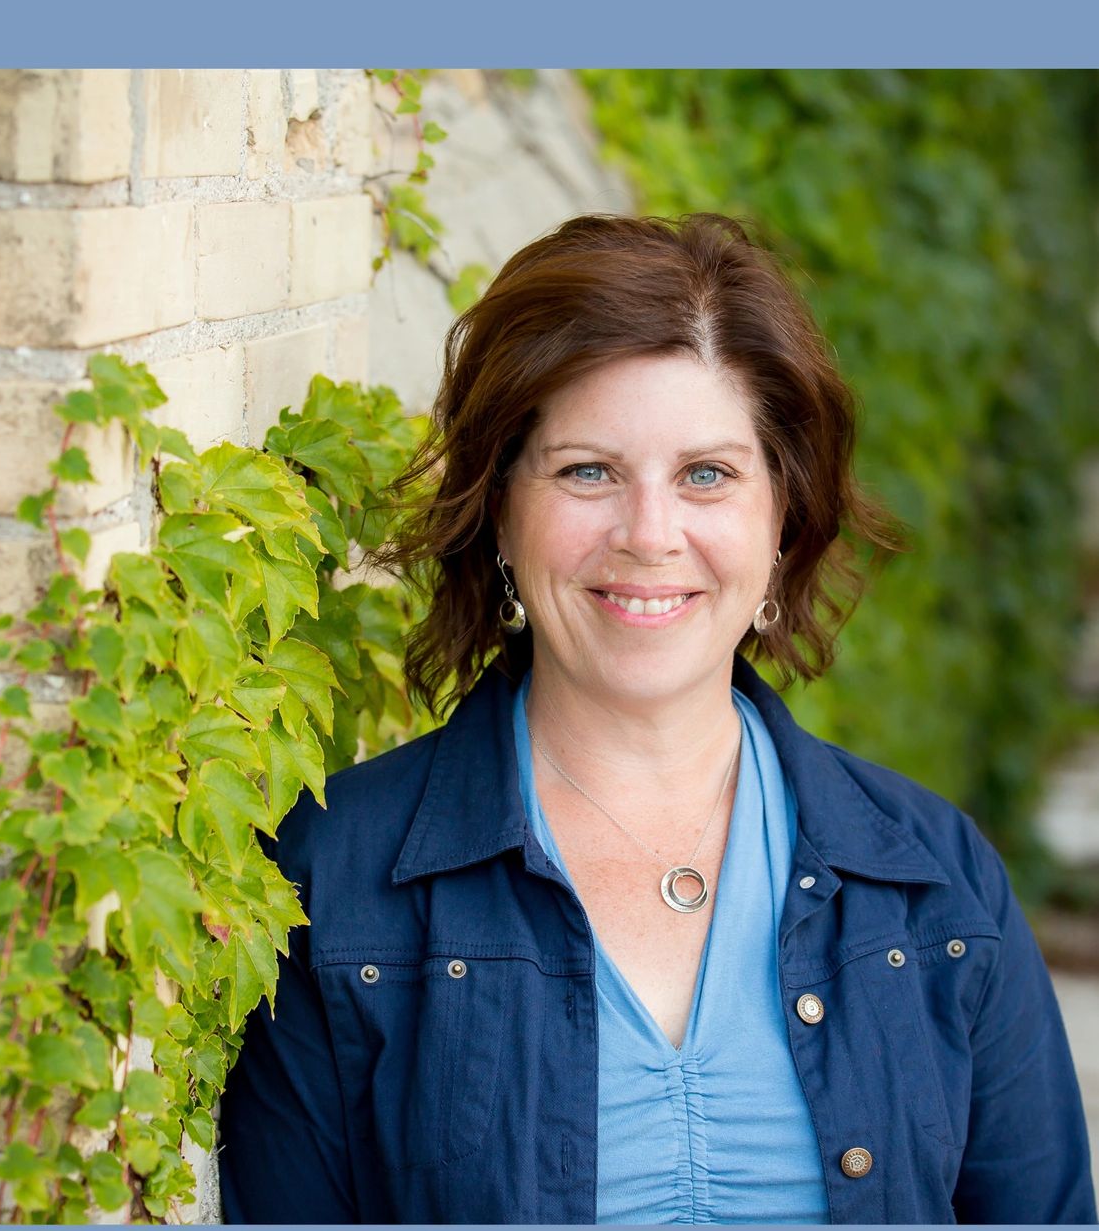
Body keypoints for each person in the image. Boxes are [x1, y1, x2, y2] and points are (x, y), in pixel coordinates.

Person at [217, 213, 1096, 1224]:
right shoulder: (338, 880)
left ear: (782, 518)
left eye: (706, 475)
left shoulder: (936, 884)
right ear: (500, 511)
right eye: (587, 470)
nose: (648, 534)